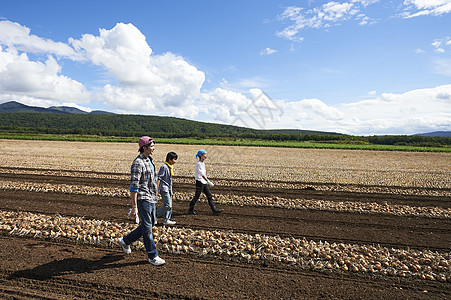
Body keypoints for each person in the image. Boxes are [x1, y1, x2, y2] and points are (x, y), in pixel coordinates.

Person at [118, 136, 165, 266]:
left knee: (149, 224)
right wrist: (134, 207)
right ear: (144, 148)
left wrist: (156, 192)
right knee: (148, 228)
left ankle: (126, 241)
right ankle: (152, 256)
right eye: (151, 146)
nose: (154, 148)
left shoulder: (150, 160)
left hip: (151, 197)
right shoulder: (138, 163)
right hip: (143, 198)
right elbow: (134, 186)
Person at [188, 149, 223, 215]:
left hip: (203, 182)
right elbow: (202, 174)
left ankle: (214, 210)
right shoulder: (199, 164)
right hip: (200, 182)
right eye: (204, 155)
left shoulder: (202, 163)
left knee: (209, 196)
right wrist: (208, 181)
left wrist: (206, 181)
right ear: (201, 155)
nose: (206, 156)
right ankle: (190, 210)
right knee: (197, 196)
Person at [156, 151, 178, 225]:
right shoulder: (164, 167)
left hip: (168, 188)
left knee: (170, 205)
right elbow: (158, 178)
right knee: (168, 205)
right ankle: (154, 215)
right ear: (169, 159)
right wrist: (157, 190)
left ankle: (166, 220)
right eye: (174, 159)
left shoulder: (169, 167)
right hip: (164, 188)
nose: (175, 161)